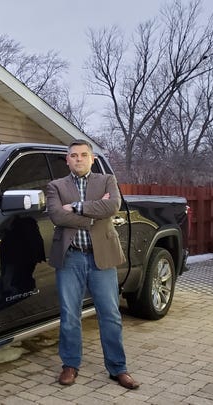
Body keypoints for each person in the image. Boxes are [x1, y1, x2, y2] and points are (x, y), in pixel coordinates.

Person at [46, 139, 140, 390]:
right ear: (67, 160)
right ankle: (70, 365)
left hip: (102, 257)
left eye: (84, 155)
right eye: (74, 155)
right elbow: (57, 215)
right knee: (69, 315)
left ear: (92, 159)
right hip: (70, 257)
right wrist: (91, 218)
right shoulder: (56, 186)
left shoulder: (107, 180)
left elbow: (112, 206)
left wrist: (76, 208)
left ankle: (118, 368)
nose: (78, 159)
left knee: (110, 314)